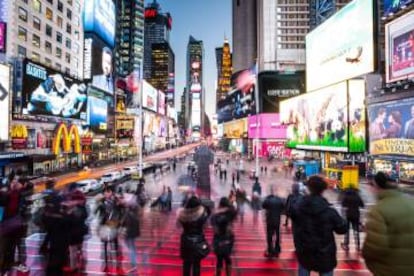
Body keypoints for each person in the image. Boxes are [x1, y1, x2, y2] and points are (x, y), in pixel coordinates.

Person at [290, 175, 347, 276]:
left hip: (305, 251)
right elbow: (342, 229)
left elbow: (291, 213)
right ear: (323, 190)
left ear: (309, 188)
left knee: (303, 268)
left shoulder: (299, 208)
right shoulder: (329, 211)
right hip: (325, 254)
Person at [362, 172, 414, 275]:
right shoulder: (411, 204)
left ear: (377, 186)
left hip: (389, 270)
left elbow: (375, 247)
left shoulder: (378, 210)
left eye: (371, 185)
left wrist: (364, 253)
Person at [177, 196, 211, 276]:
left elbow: (178, 226)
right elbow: (207, 220)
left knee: (186, 264)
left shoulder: (182, 215)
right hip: (198, 242)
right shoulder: (202, 216)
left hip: (186, 242)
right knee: (197, 264)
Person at [95, 187, 124, 274]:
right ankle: (106, 263)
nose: (107, 194)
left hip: (113, 225)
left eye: (108, 192)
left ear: (111, 193)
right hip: (104, 226)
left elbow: (121, 211)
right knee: (105, 245)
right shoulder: (101, 203)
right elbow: (97, 213)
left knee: (114, 244)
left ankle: (118, 263)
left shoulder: (116, 202)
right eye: (105, 192)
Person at [210, 197, 237, 276]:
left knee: (219, 258)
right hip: (228, 237)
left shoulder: (215, 214)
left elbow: (213, 227)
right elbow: (234, 211)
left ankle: (218, 274)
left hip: (218, 238)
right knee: (227, 257)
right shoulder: (230, 213)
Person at [65, 184, 88, 273]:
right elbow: (85, 216)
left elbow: (67, 221)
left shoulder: (70, 209)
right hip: (79, 232)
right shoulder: (81, 208)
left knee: (73, 251)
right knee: (78, 250)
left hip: (73, 233)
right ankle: (79, 264)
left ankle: (74, 267)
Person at [262, 186, 285, 257]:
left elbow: (263, 205)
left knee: (269, 236)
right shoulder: (280, 199)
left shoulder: (268, 199)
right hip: (277, 220)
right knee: (278, 235)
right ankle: (277, 250)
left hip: (269, 220)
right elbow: (283, 207)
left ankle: (270, 250)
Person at [340, 184, 364, 251]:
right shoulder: (357, 196)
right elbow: (362, 205)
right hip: (356, 214)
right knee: (356, 230)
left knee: (347, 231)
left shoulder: (346, 195)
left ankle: (346, 245)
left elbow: (343, 205)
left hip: (348, 215)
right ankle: (358, 245)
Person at [121, 194, 140, 273]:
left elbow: (126, 223)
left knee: (131, 249)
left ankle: (134, 266)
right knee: (133, 247)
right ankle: (134, 264)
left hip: (130, 233)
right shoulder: (134, 210)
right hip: (133, 232)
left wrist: (124, 233)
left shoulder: (128, 212)